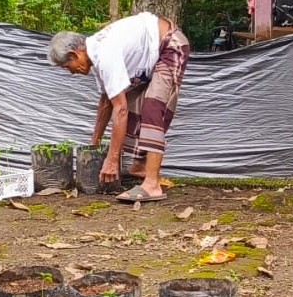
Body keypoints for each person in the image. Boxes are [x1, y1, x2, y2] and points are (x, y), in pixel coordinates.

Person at [47, 12, 190, 202]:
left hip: (170, 44)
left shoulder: (105, 53)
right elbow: (106, 101)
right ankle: (140, 167)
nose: (71, 72)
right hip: (151, 54)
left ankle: (152, 184)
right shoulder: (95, 54)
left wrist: (112, 160)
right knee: (129, 100)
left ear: (75, 54)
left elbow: (120, 110)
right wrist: (94, 143)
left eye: (67, 66)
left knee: (152, 107)